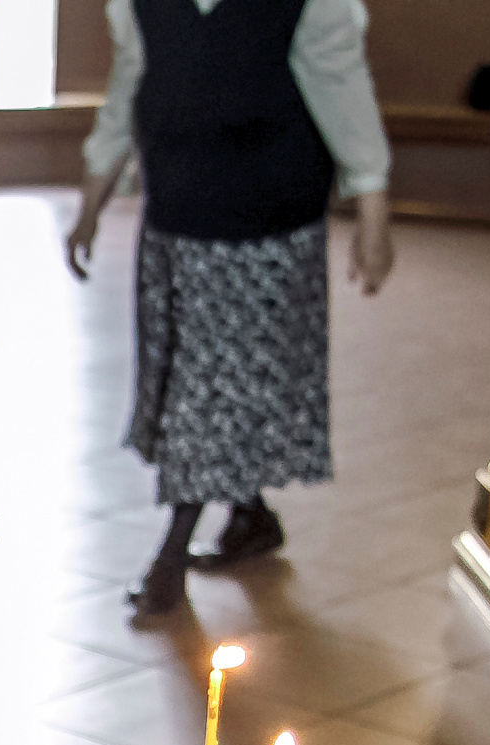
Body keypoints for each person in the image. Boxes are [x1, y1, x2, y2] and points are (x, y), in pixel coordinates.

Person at [64, 0, 396, 616]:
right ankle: (250, 515)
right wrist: (91, 202)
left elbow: (343, 90)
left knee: (210, 390)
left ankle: (171, 555)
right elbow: (127, 96)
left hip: (265, 226)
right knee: (207, 380)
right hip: (177, 224)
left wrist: (372, 203)